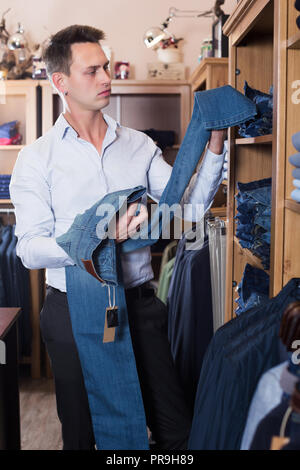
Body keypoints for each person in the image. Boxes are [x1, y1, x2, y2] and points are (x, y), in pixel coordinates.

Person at [9, 25, 227, 450]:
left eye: (106, 67)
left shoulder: (140, 146)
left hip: (140, 305)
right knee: (83, 435)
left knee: (174, 432)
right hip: (72, 311)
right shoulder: (36, 159)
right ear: (61, 83)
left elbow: (188, 209)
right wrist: (96, 237)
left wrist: (215, 143)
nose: (107, 77)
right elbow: (29, 249)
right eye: (92, 71)